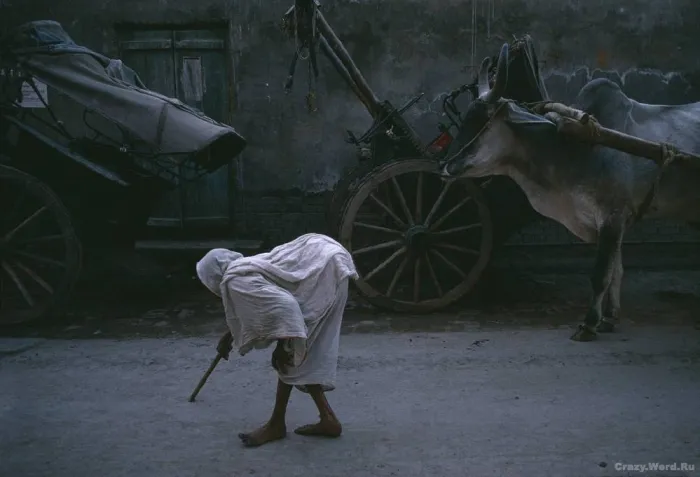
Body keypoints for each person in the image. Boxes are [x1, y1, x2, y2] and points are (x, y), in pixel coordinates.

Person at [195, 233, 358, 448]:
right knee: (300, 356)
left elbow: (285, 307)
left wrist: (282, 346)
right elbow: (260, 305)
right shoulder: (245, 267)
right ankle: (327, 419)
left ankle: (276, 424)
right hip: (329, 259)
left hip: (325, 270)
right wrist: (231, 334)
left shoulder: (234, 281)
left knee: (288, 358)